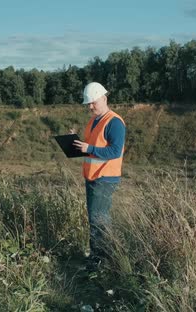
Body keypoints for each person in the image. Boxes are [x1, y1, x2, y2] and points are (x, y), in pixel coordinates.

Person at [72, 82, 126, 270]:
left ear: (104, 98)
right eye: (88, 103)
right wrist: (77, 142)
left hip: (105, 178)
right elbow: (92, 147)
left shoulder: (114, 122)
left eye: (93, 102)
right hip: (92, 177)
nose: (90, 106)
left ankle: (101, 260)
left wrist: (90, 148)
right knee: (96, 218)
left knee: (99, 219)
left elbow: (115, 151)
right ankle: (101, 256)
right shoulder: (94, 120)